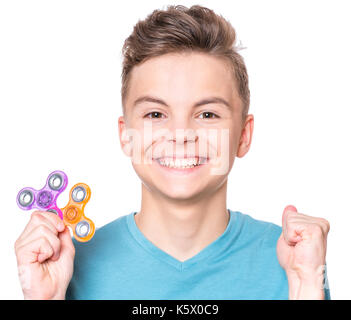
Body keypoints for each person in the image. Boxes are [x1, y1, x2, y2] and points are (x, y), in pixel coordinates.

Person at [14, 4, 330, 300]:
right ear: (126, 135)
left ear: (243, 136)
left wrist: (307, 286)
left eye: (207, 114)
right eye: (155, 114)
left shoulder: (292, 259)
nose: (181, 135)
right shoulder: (67, 266)